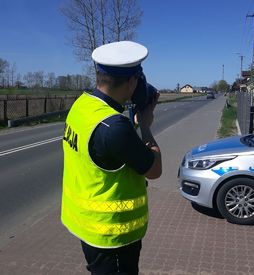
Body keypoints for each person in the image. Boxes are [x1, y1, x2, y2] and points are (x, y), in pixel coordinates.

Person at [61, 41, 162, 275]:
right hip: (113, 235)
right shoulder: (115, 127)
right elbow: (155, 170)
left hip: (84, 223)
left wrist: (131, 126)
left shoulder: (82, 105)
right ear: (131, 81)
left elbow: (112, 151)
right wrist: (145, 127)